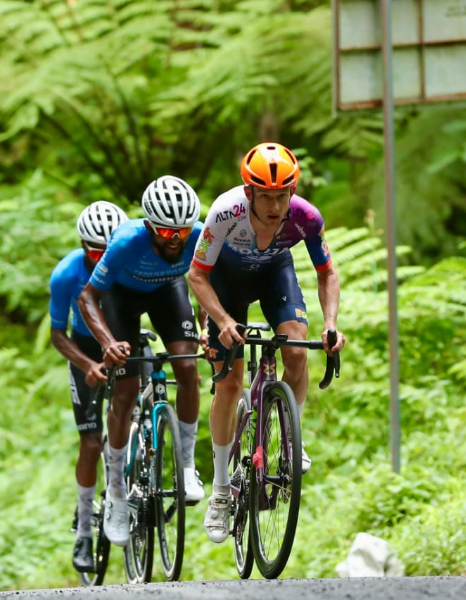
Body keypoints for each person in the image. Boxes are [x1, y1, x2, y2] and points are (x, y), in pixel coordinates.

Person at [187, 142, 347, 544]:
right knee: (229, 382)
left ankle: (292, 438)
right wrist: (221, 321)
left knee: (297, 349)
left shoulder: (306, 217)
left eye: (283, 195)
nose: (276, 205)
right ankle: (222, 490)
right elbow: (197, 276)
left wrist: (330, 325)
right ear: (249, 192)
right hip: (227, 282)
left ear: (292, 192)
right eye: (267, 196)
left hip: (276, 274)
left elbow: (326, 273)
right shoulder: (225, 212)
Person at [78, 175, 206, 547]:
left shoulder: (198, 235)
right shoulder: (127, 242)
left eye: (182, 231)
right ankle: (116, 491)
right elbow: (88, 298)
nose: (177, 239)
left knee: (187, 368)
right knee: (126, 388)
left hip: (170, 291)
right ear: (149, 226)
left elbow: (209, 279)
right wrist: (108, 342)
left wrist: (209, 325)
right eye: (166, 234)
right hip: (122, 299)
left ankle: (186, 466)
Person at [49, 201, 128, 572]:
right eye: (93, 251)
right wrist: (87, 365)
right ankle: (83, 529)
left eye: (107, 251)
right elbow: (57, 333)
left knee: (128, 412)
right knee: (92, 442)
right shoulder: (66, 274)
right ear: (82, 245)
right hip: (84, 348)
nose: (100, 259)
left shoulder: (129, 260)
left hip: (123, 339)